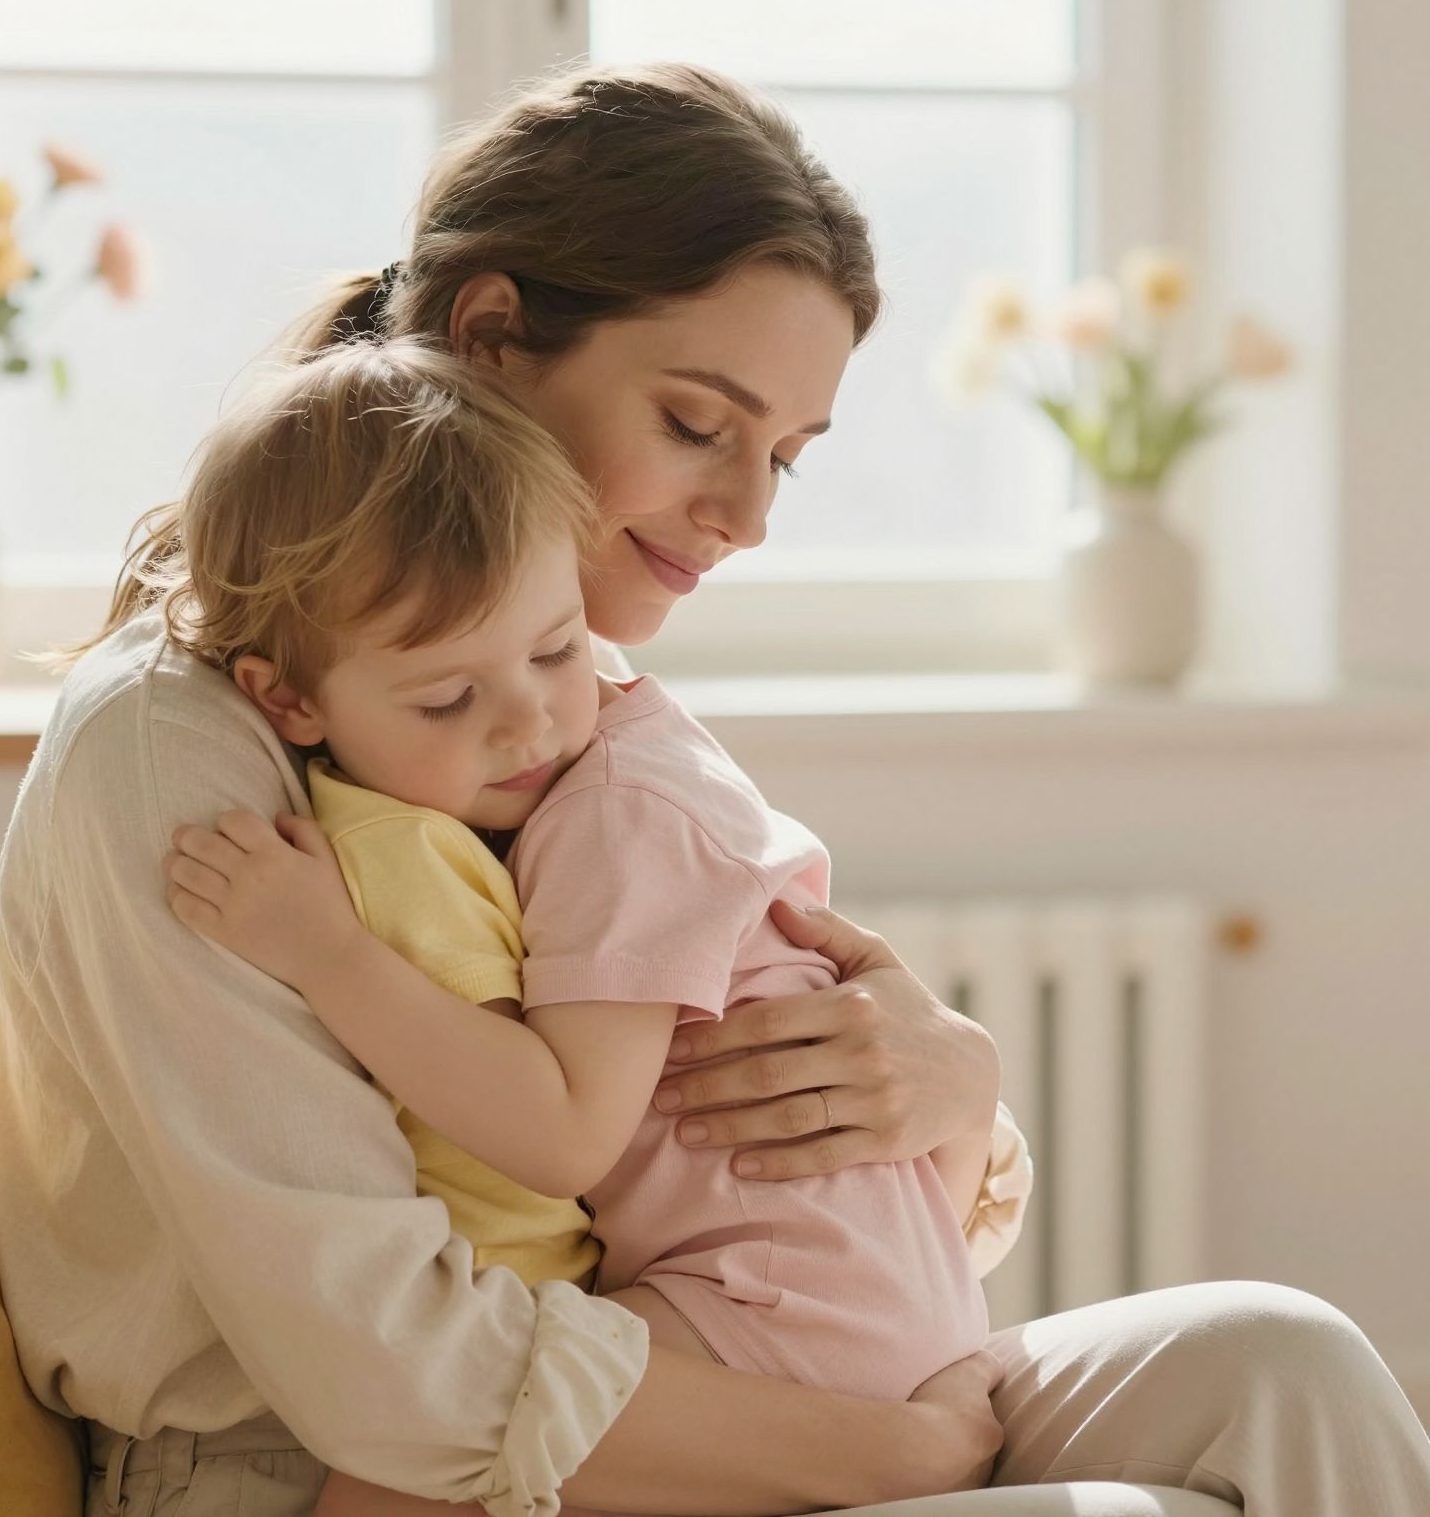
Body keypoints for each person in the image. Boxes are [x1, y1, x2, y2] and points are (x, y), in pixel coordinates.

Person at [0, 61, 1430, 1517]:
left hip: (671, 1374)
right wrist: (885, 1459)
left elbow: (794, 1208)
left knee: (1283, 1362)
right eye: (700, 425)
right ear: (490, 332)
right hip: (341, 1465)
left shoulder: (571, 710)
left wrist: (952, 1090)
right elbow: (394, 1370)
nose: (748, 517)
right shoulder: (184, 752)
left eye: (787, 459)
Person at [154, 340, 994, 1515]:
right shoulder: (603, 780)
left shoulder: (617, 816)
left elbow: (562, 1137)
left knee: (399, 1480)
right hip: (862, 1291)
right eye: (450, 697)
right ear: (285, 701)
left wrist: (324, 952)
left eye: (557, 651)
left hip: (782, 1305)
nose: (529, 724)